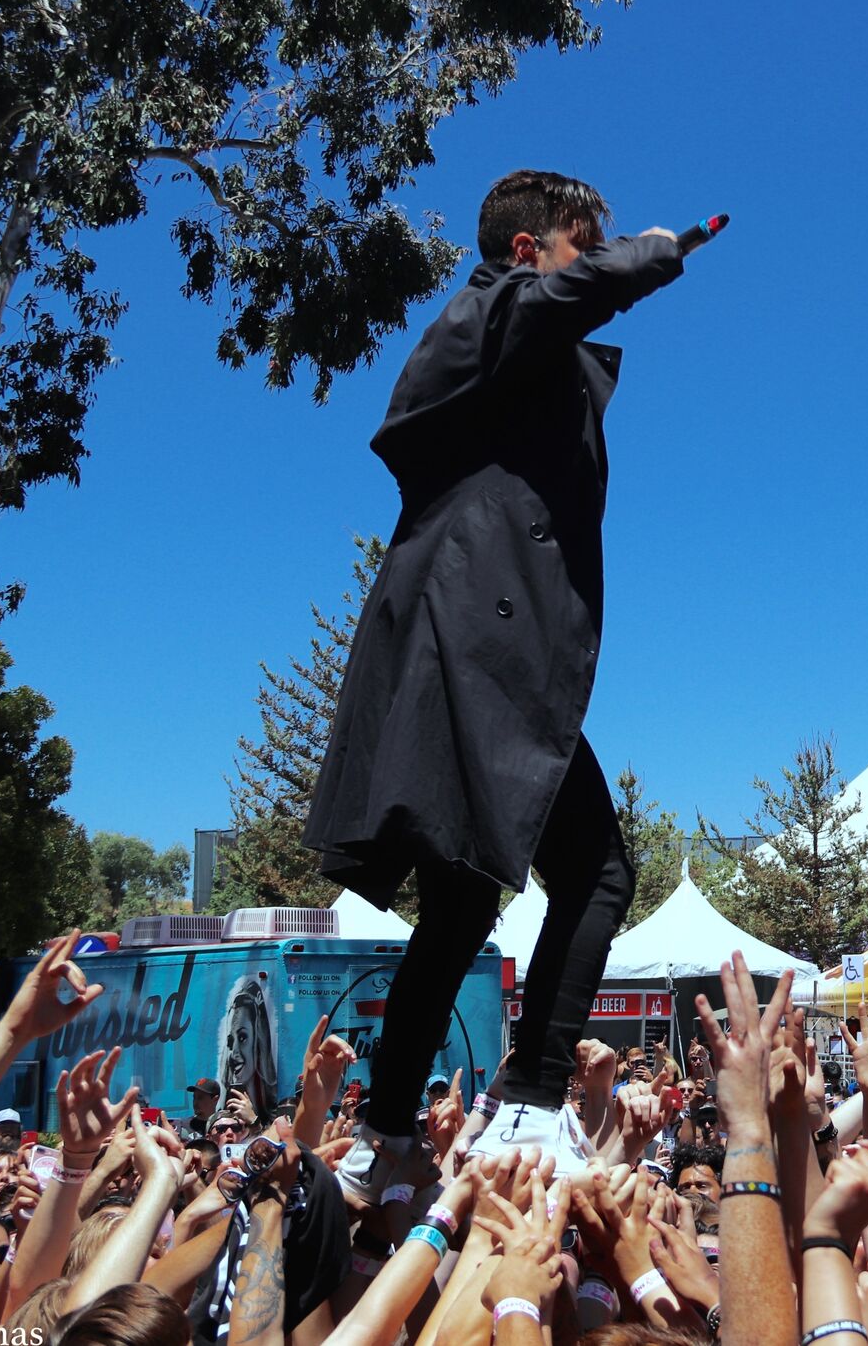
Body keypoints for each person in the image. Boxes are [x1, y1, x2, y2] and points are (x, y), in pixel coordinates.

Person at [303, 169, 709, 1193]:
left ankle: (386, 1135)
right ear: (529, 251)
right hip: (478, 651)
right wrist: (654, 250)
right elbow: (556, 299)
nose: (591, 264)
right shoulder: (490, 312)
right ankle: (530, 1106)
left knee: (463, 902)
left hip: (461, 644)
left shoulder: (505, 347)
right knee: (598, 873)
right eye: (580, 245)